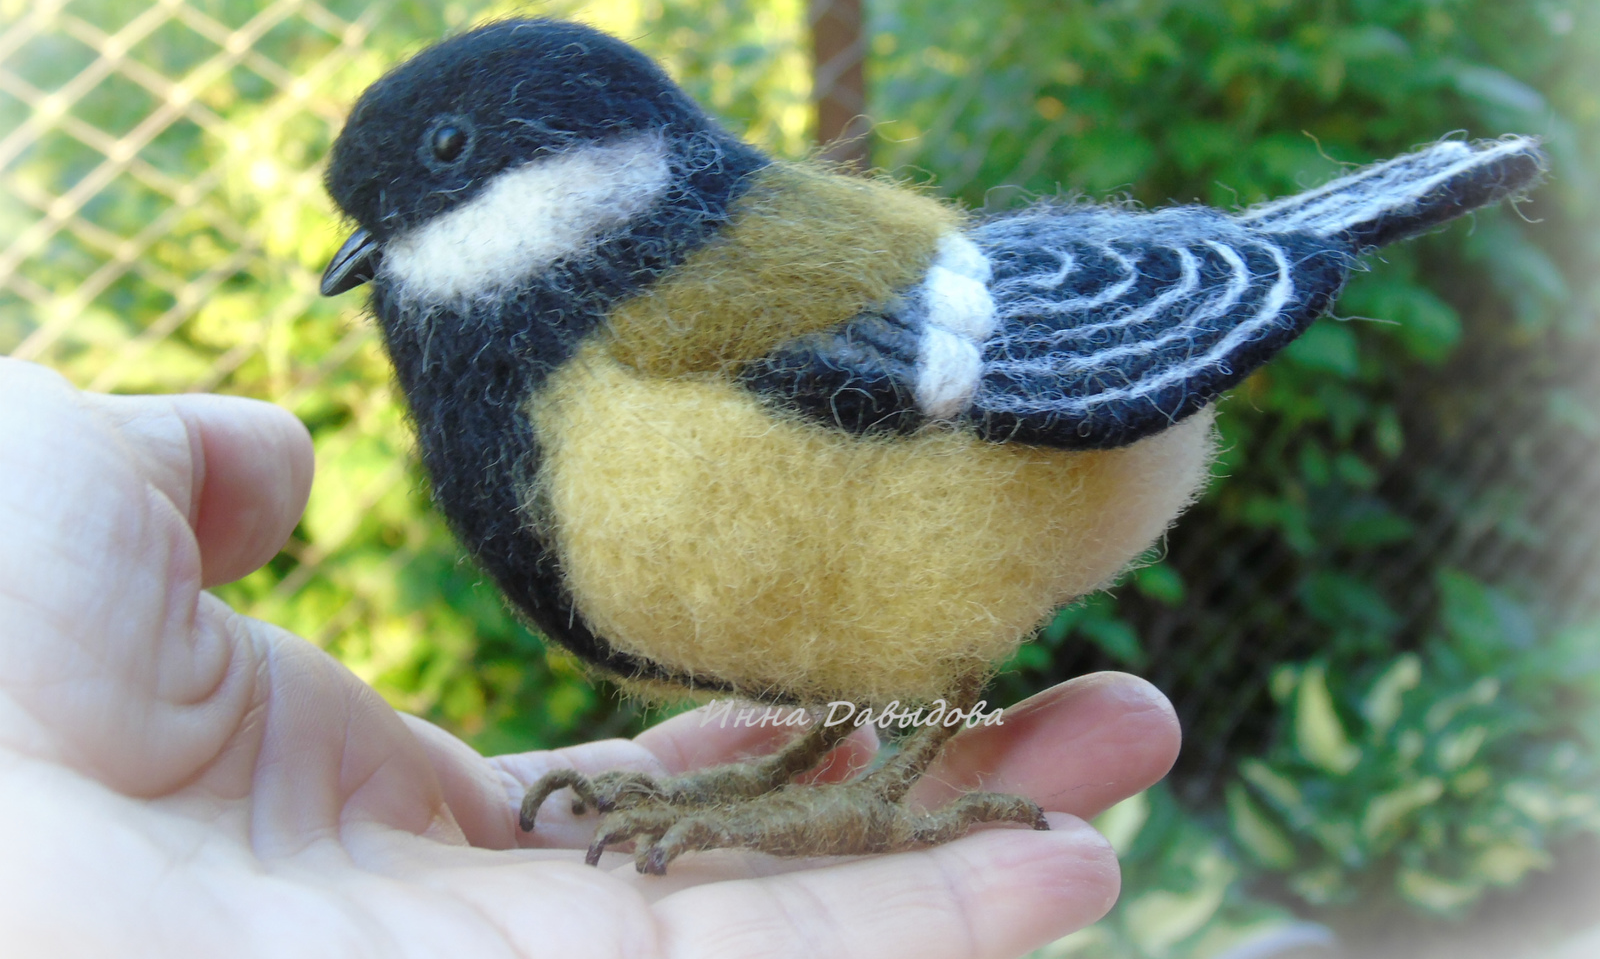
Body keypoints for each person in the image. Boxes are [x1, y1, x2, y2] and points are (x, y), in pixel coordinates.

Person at [0, 356, 1181, 958]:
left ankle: (868, 794)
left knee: (913, 626)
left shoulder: (646, 360)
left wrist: (861, 808)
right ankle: (827, 775)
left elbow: (928, 607)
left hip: (1034, 428)